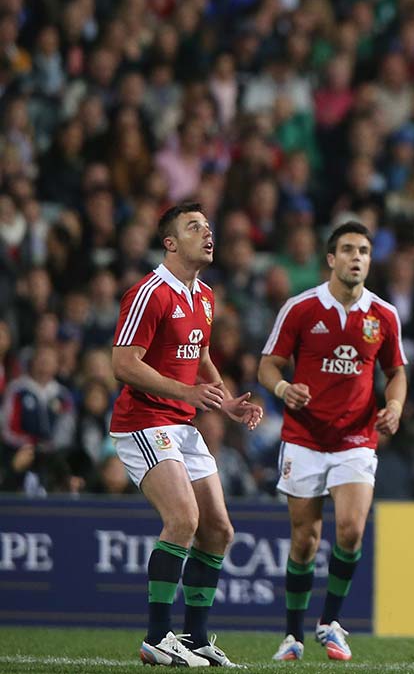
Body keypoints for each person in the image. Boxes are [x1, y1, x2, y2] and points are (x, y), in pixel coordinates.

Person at [109, 201, 263, 668]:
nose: (207, 233)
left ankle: (195, 639)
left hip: (182, 423)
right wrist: (189, 392)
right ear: (170, 242)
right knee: (183, 519)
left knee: (219, 529)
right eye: (194, 227)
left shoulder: (205, 297)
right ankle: (158, 638)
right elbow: (122, 364)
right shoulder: (149, 293)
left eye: (209, 227)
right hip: (142, 422)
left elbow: (199, 355)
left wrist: (225, 398)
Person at [258, 220, 407, 662]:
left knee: (350, 530)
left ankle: (331, 623)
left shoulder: (384, 315)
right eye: (347, 249)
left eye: (363, 250)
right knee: (304, 539)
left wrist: (394, 407)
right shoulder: (301, 308)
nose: (356, 257)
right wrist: (284, 389)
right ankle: (292, 635)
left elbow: (396, 372)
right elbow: (269, 365)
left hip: (356, 438)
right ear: (331, 258)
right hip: (304, 436)